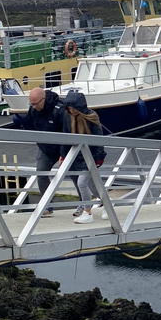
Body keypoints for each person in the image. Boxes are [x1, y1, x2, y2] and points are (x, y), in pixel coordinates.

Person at [11, 87, 63, 216]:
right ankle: (47, 205)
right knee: (41, 174)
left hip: (63, 146)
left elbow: (67, 130)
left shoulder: (59, 110)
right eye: (31, 104)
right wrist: (21, 119)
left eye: (36, 104)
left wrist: (63, 153)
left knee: (75, 175)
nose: (34, 107)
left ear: (43, 99)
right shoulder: (33, 110)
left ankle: (84, 205)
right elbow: (30, 127)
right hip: (45, 148)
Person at [58, 91, 106, 224]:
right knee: (91, 184)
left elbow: (98, 138)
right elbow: (65, 136)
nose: (71, 110)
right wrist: (63, 156)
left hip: (90, 156)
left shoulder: (91, 117)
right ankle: (108, 204)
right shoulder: (68, 117)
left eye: (73, 107)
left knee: (82, 183)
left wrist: (99, 157)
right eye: (69, 107)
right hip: (77, 155)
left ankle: (87, 212)